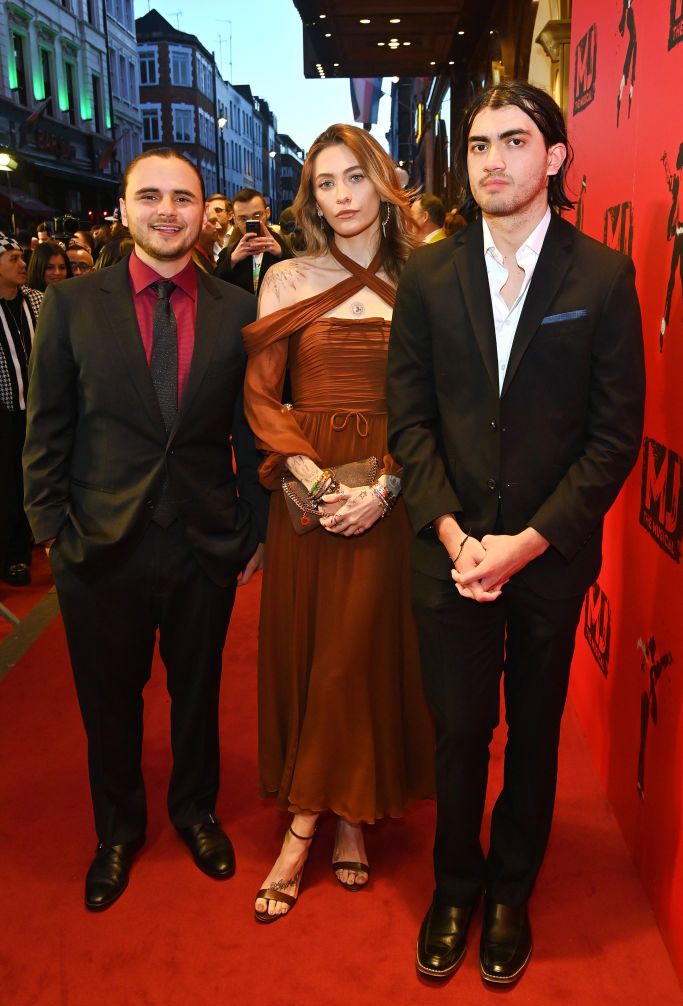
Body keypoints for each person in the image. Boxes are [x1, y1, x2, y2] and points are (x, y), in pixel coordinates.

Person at [387, 82, 645, 985]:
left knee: (533, 732)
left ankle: (508, 892)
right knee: (459, 732)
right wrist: (457, 538)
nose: (491, 160)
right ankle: (453, 885)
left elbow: (613, 438)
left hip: (544, 561)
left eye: (513, 141)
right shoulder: (425, 273)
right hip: (447, 555)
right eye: (477, 145)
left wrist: (527, 542)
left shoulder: (602, 279)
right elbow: (408, 422)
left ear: (555, 159)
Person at [23, 148, 269, 912]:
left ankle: (195, 811)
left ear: (203, 212)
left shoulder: (236, 308)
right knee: (108, 699)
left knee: (197, 691)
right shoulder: (70, 305)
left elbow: (251, 429)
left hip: (203, 538)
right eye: (151, 196)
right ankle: (118, 831)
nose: (168, 211)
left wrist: (253, 528)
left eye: (184, 198)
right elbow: (47, 428)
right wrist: (52, 530)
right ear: (126, 208)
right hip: (98, 543)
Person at [243, 124, 434, 924]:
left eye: (354, 177)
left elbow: (434, 401)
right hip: (309, 494)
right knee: (318, 650)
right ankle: (340, 816)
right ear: (310, 197)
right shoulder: (285, 278)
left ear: (382, 180)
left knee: (356, 652)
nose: (342, 195)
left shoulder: (423, 277)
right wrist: (312, 478)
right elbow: (259, 396)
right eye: (325, 183)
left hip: (389, 490)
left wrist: (384, 487)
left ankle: (319, 820)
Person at [0, 234, 42, 586]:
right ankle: (14, 556)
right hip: (5, 412)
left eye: (20, 256)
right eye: (13, 258)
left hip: (41, 408)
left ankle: (38, 534)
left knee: (38, 475)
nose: (22, 263)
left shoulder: (37, 300)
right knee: (9, 484)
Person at [215, 188, 291, 295]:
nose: (251, 222)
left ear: (267, 213)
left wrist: (282, 254)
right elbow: (215, 287)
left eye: (257, 216)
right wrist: (232, 261)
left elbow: (301, 279)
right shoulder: (228, 253)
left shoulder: (287, 245)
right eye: (243, 219)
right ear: (235, 220)